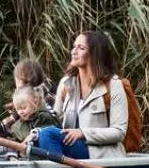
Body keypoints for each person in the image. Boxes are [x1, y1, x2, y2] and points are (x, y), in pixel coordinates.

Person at [40, 29, 128, 159]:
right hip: (72, 147)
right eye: (74, 47)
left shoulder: (113, 85)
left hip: (99, 153)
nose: (73, 52)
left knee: (48, 135)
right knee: (41, 136)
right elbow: (54, 122)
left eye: (81, 48)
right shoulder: (66, 83)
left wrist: (83, 133)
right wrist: (36, 132)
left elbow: (119, 132)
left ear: (94, 54)